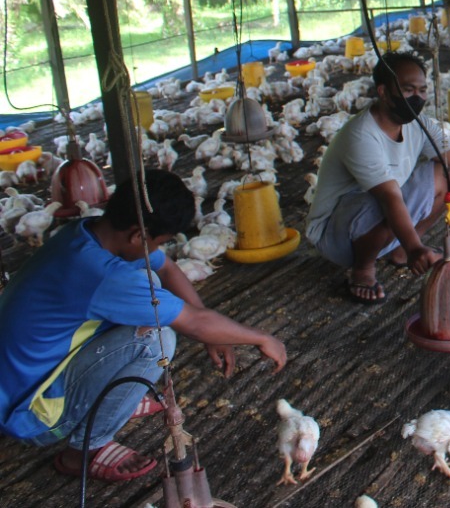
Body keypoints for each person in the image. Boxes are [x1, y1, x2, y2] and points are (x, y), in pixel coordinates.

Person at [0, 170, 287, 483]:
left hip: (18, 381)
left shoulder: (84, 234)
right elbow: (194, 323)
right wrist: (260, 337)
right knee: (155, 339)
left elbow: (166, 267)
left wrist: (211, 331)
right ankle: (83, 451)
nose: (157, 250)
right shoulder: (104, 275)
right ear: (138, 234)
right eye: (158, 241)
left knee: (149, 280)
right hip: (31, 411)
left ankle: (111, 397)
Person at [307, 52, 450, 303]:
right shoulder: (361, 135)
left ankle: (398, 250)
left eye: (421, 90)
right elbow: (389, 197)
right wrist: (415, 248)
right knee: (391, 200)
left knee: (447, 175)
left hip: (375, 214)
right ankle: (363, 269)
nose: (416, 97)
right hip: (336, 236)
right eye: (407, 90)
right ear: (383, 91)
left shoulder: (420, 125)